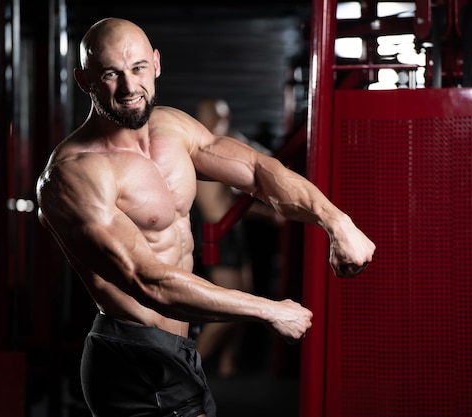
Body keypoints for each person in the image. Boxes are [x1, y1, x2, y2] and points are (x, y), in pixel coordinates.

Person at [36, 17, 375, 417]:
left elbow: (259, 173)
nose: (130, 88)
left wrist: (336, 221)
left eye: (139, 68)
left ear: (157, 64)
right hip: (134, 357)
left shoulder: (173, 129)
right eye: (112, 74)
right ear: (84, 79)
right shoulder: (73, 174)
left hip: (177, 349)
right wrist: (267, 309)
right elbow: (148, 281)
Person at [192, 98, 281, 378]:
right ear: (208, 118)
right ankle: (186, 367)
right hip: (219, 235)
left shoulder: (220, 145)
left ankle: (228, 367)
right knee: (228, 306)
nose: (226, 121)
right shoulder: (205, 151)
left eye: (227, 115)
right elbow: (225, 207)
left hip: (233, 231)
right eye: (220, 116)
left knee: (245, 300)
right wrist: (269, 213)